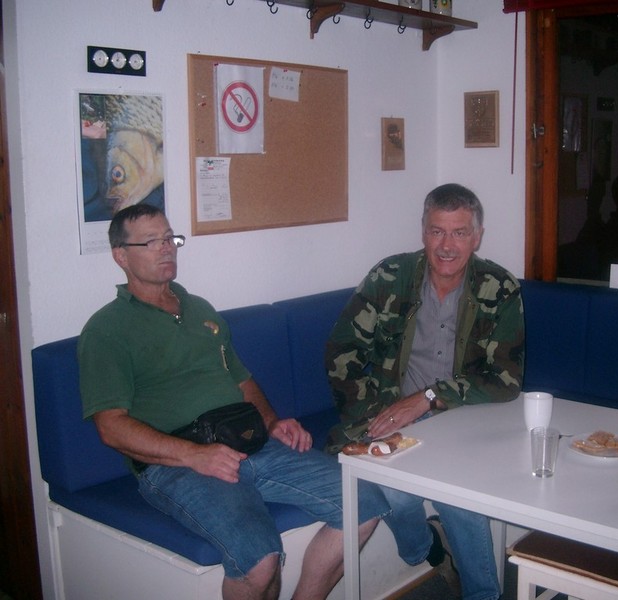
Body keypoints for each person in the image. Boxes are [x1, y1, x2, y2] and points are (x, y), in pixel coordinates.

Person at [78, 204, 388, 600]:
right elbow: (111, 426)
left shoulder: (199, 309)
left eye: (169, 238)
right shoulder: (107, 329)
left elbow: (242, 380)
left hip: (246, 441)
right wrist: (194, 455)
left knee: (365, 502)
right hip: (176, 464)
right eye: (151, 241)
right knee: (259, 559)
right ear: (121, 256)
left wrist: (272, 424)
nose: (166, 248)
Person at [325, 183, 525, 600]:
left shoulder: (498, 287)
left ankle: (482, 595)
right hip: (393, 415)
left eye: (459, 232)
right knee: (393, 492)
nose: (447, 246)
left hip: (461, 418)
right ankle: (426, 549)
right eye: (437, 231)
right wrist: (370, 415)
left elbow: (506, 380)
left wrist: (429, 398)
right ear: (423, 231)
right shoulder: (390, 277)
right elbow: (342, 350)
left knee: (459, 499)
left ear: (477, 236)